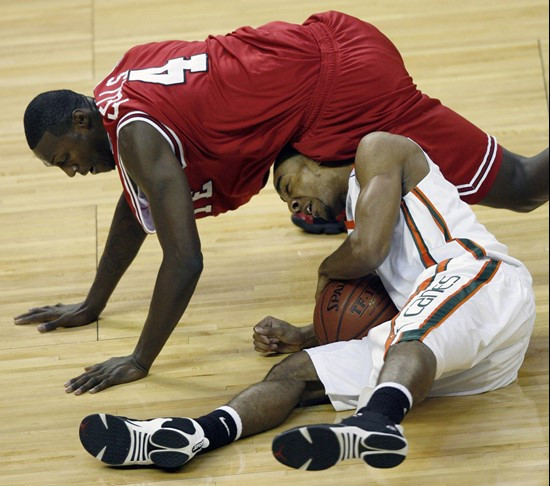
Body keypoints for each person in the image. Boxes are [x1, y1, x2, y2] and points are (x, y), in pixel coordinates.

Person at [19, 11, 547, 395]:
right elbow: (140, 204)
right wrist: (94, 302)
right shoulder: (118, 87)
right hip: (331, 46)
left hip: (343, 91)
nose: (72, 171)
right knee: (331, 198)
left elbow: (185, 261)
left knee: (520, 186)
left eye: (65, 158)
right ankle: (347, 212)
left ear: (82, 123)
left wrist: (140, 359)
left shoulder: (135, 137)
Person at [78, 132, 535, 471]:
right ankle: (194, 433)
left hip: (480, 279)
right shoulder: (360, 223)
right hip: (456, 359)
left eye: (287, 185)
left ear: (315, 155)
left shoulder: (379, 151)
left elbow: (369, 250)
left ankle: (374, 422)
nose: (294, 206)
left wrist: (323, 270)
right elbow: (391, 308)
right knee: (294, 373)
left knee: (412, 333)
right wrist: (303, 336)